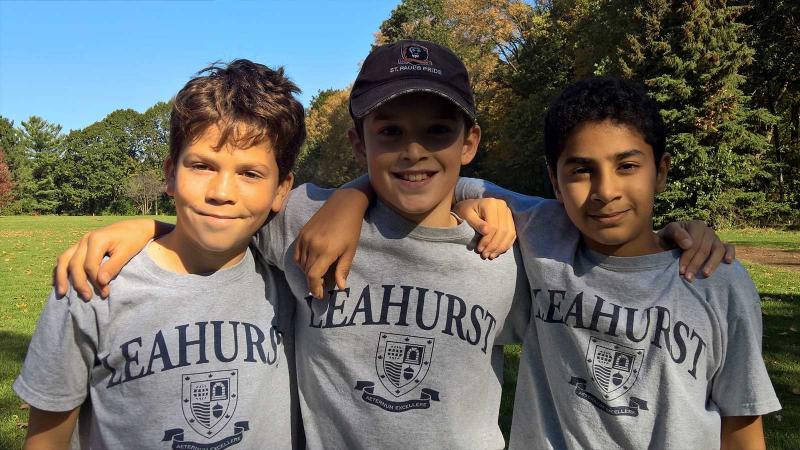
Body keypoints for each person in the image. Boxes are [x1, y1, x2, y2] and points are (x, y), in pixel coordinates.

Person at [52, 42, 729, 449]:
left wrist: (684, 237)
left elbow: (605, 219)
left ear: (469, 142)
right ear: (358, 141)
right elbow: (222, 214)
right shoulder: (303, 220)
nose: (413, 151)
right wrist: (145, 228)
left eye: (438, 132)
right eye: (389, 132)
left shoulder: (520, 231)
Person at [454, 76, 781, 449]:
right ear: (555, 182)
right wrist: (476, 206)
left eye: (626, 166)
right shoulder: (543, 231)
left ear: (660, 171)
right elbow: (445, 181)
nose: (605, 191)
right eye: (581, 170)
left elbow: (742, 430)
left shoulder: (716, 280)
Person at [15, 59, 304, 449]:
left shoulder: (291, 280)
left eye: (250, 173)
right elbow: (46, 439)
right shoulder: (92, 285)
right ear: (170, 173)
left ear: (281, 189)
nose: (222, 192)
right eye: (202, 166)